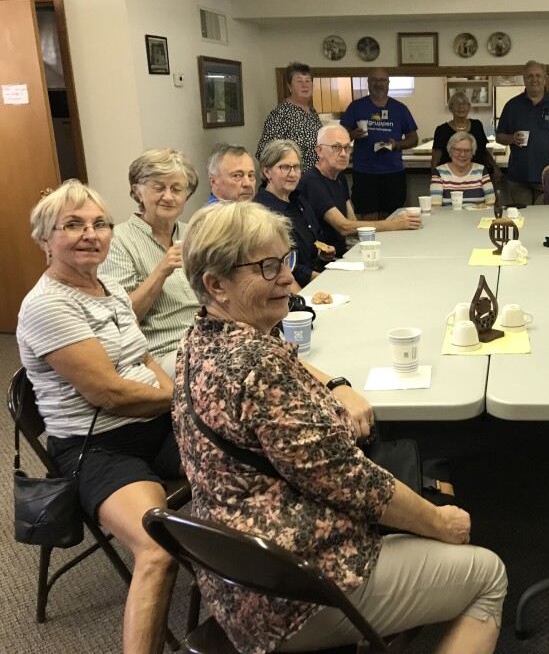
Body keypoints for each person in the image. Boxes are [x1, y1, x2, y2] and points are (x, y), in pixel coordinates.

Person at [174, 202, 507, 654]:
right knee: (486, 573)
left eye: (286, 261)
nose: (289, 279)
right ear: (216, 284)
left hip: (234, 569)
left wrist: (334, 383)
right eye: (268, 267)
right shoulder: (257, 366)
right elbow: (354, 484)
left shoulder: (200, 341)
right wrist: (440, 524)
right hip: (295, 592)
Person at [17, 180, 181, 654]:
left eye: (99, 224)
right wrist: (181, 400)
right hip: (99, 448)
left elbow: (143, 356)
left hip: (155, 424)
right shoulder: (48, 305)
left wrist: (170, 395)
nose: (91, 234)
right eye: (72, 225)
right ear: (45, 239)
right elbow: (108, 393)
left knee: (242, 470)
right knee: (157, 547)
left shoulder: (106, 286)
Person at [101, 149, 200, 376]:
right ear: (138, 191)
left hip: (209, 337)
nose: (168, 196)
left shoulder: (193, 234)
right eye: (158, 187)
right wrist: (161, 271)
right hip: (164, 352)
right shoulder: (118, 241)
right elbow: (121, 318)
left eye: (176, 189)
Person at [299, 124, 420, 257]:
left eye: (347, 147)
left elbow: (352, 221)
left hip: (346, 251)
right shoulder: (312, 181)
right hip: (327, 258)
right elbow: (344, 227)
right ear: (319, 150)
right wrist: (393, 224)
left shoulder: (339, 176)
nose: (344, 154)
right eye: (336, 147)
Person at [253, 139, 335, 287]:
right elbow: (285, 265)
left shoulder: (299, 201)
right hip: (291, 287)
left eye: (296, 167)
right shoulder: (262, 211)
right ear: (267, 172)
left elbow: (316, 242)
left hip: (318, 276)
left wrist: (323, 255)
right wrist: (327, 280)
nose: (293, 174)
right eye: (285, 167)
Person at [340, 68, 419, 220]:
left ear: (388, 83)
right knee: (368, 215)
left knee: (392, 216)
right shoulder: (356, 107)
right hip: (364, 172)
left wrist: (397, 145)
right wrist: (352, 135)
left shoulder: (400, 109)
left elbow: (413, 138)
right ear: (368, 83)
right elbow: (338, 136)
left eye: (382, 80)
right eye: (374, 80)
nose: (378, 84)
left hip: (393, 172)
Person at [495, 60, 549, 205]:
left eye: (538, 75)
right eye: (530, 76)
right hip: (519, 177)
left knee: (544, 219)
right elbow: (499, 136)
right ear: (524, 79)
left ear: (544, 79)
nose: (534, 79)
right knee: (522, 219)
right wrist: (511, 138)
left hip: (548, 176)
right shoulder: (512, 106)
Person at [256, 62, 323, 173]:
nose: (304, 85)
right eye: (299, 81)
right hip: (293, 182)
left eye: (308, 81)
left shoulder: (312, 112)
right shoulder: (280, 114)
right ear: (289, 86)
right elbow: (264, 153)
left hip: (314, 179)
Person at [431, 91, 501, 185]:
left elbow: (483, 150)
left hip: (477, 176)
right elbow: (435, 159)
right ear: (451, 107)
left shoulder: (477, 125)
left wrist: (494, 166)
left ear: (469, 107)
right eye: (457, 104)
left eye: (464, 104)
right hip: (450, 178)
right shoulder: (442, 130)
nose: (461, 107)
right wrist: (435, 180)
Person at [430, 132, 496, 207]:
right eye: (457, 150)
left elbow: (491, 205)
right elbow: (436, 208)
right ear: (450, 152)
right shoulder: (439, 172)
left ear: (472, 153)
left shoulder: (481, 171)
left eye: (467, 151)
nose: (462, 155)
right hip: (449, 218)